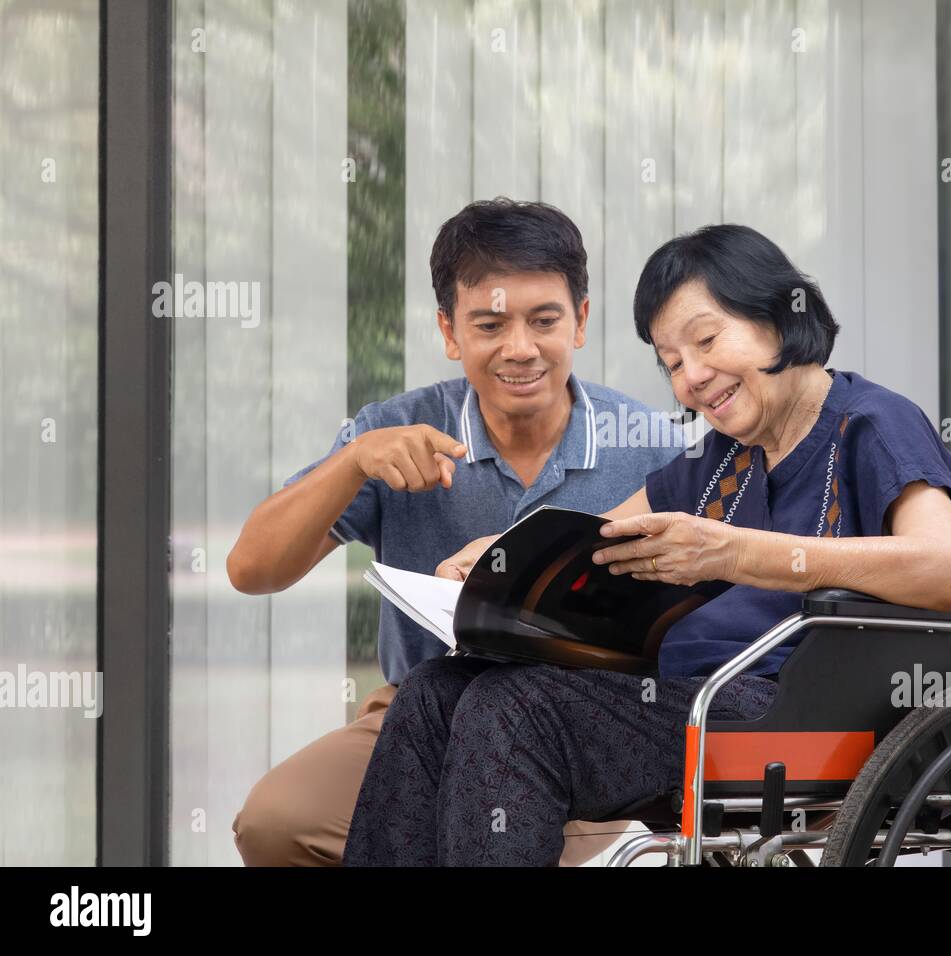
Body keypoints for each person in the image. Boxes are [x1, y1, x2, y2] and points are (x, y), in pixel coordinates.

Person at [341, 223, 951, 867]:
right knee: (435, 690)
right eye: (673, 362)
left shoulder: (872, 424)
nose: (694, 378)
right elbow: (600, 540)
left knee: (515, 709)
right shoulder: (723, 455)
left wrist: (735, 553)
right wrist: (500, 556)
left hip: (790, 707)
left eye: (706, 340)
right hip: (682, 696)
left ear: (779, 315)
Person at [225, 198, 687, 866]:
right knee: (276, 822)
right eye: (490, 323)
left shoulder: (645, 444)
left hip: (573, 730)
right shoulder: (397, 430)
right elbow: (251, 569)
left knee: (494, 835)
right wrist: (351, 464)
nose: (519, 348)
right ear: (449, 331)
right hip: (419, 710)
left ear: (581, 322)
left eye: (544, 320)